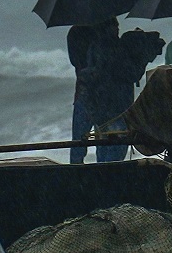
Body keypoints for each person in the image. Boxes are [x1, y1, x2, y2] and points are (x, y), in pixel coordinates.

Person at [81, 26, 163, 163]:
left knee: (103, 148)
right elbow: (131, 74)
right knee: (117, 149)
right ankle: (110, 178)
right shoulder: (118, 50)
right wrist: (141, 61)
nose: (117, 28)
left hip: (99, 107)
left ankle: (102, 179)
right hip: (117, 108)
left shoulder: (94, 47)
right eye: (115, 25)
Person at [68, 18, 117, 163]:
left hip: (82, 91)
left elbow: (75, 61)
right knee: (103, 138)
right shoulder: (102, 37)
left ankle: (75, 174)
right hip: (103, 95)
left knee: (78, 141)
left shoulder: (74, 32)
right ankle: (101, 174)